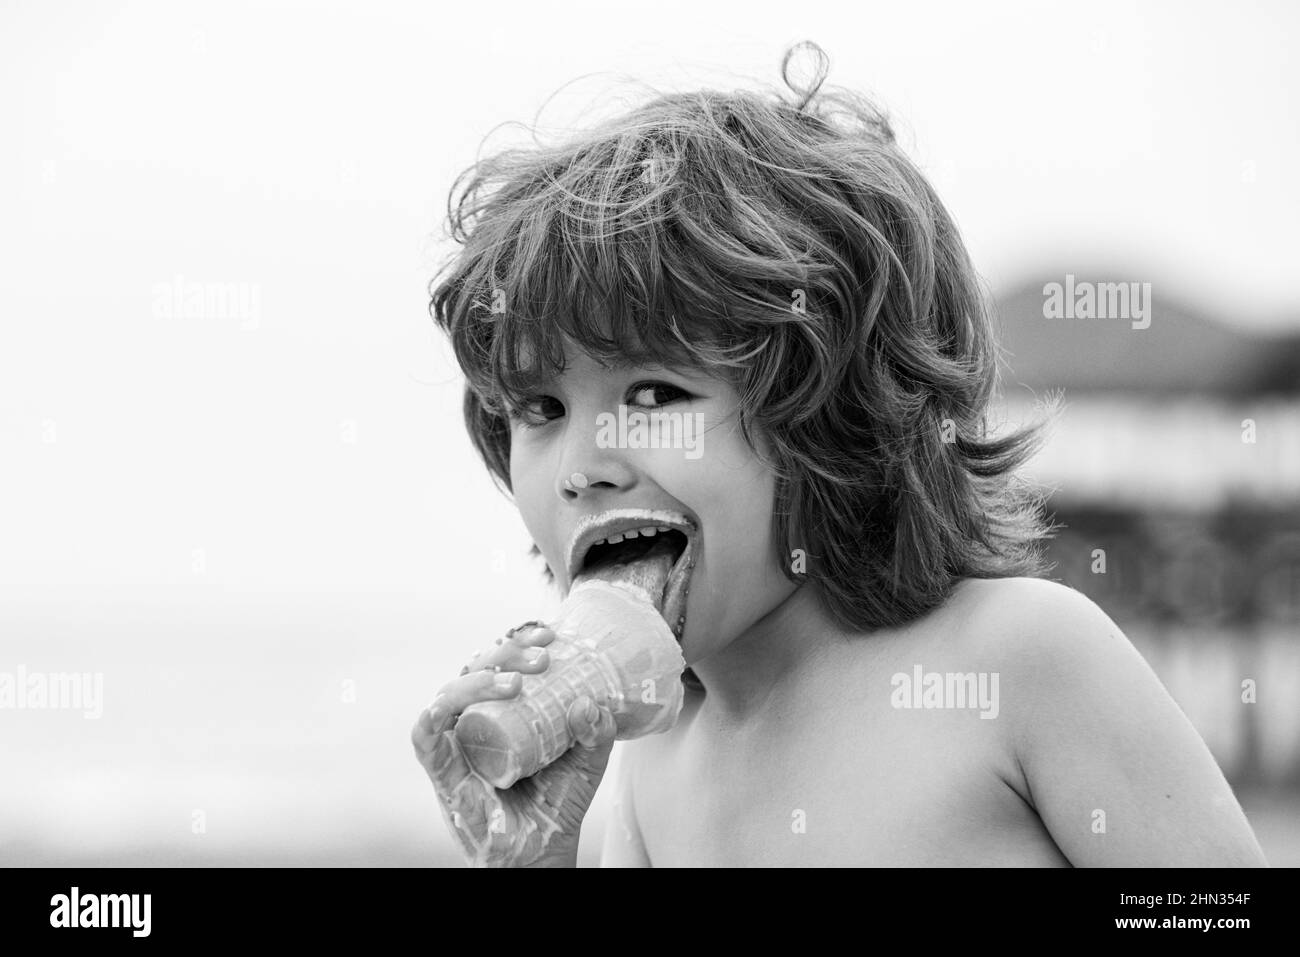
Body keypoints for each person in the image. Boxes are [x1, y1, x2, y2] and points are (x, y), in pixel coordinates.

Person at [411, 42, 1268, 867]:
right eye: (540, 408)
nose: (582, 465)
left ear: (829, 411)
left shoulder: (1021, 658)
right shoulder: (659, 763)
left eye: (656, 396)